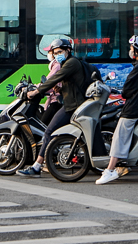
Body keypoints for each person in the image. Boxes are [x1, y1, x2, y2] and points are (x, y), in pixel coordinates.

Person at [19, 37, 88, 177]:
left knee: (49, 132)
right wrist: (60, 90)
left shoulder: (71, 63)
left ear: (68, 50)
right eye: (55, 53)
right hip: (71, 104)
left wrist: (35, 92)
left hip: (72, 106)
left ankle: (37, 166)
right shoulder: (68, 63)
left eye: (60, 52)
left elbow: (53, 79)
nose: (57, 55)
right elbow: (71, 86)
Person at [98, 36, 138, 185]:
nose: (130, 51)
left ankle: (110, 169)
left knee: (119, 136)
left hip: (134, 108)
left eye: (131, 48)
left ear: (137, 51)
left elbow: (126, 91)